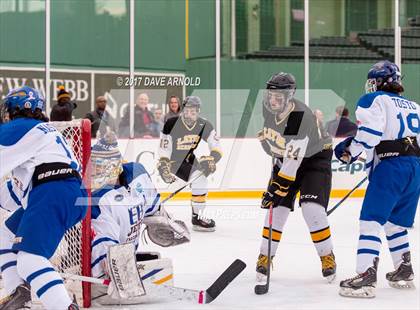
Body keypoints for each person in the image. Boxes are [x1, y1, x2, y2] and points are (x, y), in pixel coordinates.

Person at [335, 60, 420, 298]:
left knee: (370, 221)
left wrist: (349, 150)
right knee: (395, 223)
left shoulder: (373, 100)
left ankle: (365, 277)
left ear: (381, 82)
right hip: (415, 168)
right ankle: (404, 269)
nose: (370, 85)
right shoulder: (414, 105)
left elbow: (370, 135)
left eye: (373, 80)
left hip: (391, 167)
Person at [0, 86, 86, 310]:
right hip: (63, 192)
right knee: (5, 233)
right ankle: (17, 291)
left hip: (51, 192)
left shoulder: (20, 128)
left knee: (29, 260)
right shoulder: (42, 135)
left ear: (16, 108)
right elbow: (12, 196)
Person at [89, 133, 189, 304]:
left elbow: (153, 209)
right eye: (94, 166)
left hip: (128, 258)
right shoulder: (97, 200)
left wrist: (161, 221)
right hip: (105, 275)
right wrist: (110, 272)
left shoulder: (138, 175)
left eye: (101, 166)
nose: (96, 172)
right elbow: (103, 242)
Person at [256, 73, 336, 283]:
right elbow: (280, 149)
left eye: (278, 96)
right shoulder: (268, 109)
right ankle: (265, 255)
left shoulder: (300, 117)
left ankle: (327, 256)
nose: (272, 100)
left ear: (289, 96)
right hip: (290, 158)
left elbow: (292, 165)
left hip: (315, 160)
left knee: (312, 209)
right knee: (277, 209)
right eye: (270, 95)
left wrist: (275, 189)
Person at [157, 96, 222, 232]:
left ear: (198, 111)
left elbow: (216, 147)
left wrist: (212, 159)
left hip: (190, 159)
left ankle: (197, 217)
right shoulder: (171, 123)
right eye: (187, 111)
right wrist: (164, 163)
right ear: (182, 110)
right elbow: (165, 148)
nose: (189, 114)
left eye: (193, 111)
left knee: (201, 179)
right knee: (199, 179)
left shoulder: (204, 125)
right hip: (173, 161)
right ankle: (153, 210)